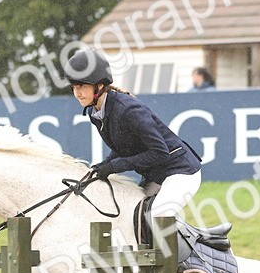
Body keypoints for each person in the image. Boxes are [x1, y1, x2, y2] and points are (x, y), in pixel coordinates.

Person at [63, 48, 202, 233]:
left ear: (100, 85)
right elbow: (123, 148)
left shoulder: (128, 110)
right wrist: (102, 166)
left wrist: (114, 167)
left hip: (181, 172)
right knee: (131, 216)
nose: (77, 93)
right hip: (157, 175)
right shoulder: (95, 112)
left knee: (157, 217)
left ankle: (182, 261)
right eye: (73, 87)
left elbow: (160, 152)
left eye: (82, 86)